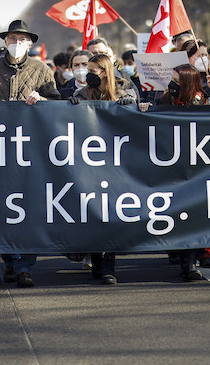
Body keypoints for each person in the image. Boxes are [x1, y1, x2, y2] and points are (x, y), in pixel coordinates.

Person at [0, 19, 60, 287]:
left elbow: (56, 103)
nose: (17, 43)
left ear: (30, 43)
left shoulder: (42, 69)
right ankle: (11, 260)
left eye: (22, 40)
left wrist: (42, 100)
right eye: (12, 39)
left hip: (29, 149)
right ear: (5, 41)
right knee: (3, 205)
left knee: (28, 206)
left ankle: (24, 266)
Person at [70, 53, 137, 284]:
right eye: (86, 68)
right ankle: (97, 260)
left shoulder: (125, 91)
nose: (87, 74)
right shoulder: (80, 93)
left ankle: (109, 265)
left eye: (93, 70)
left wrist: (132, 107)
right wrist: (72, 108)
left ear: (105, 72)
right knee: (94, 211)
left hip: (116, 161)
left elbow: (138, 120)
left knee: (111, 212)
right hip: (89, 160)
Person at [143, 64, 210, 281]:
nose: (172, 84)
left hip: (197, 167)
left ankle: (190, 262)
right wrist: (146, 107)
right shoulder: (164, 100)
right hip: (170, 166)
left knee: (193, 215)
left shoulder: (204, 101)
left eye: (177, 80)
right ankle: (182, 255)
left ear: (189, 83)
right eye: (171, 79)